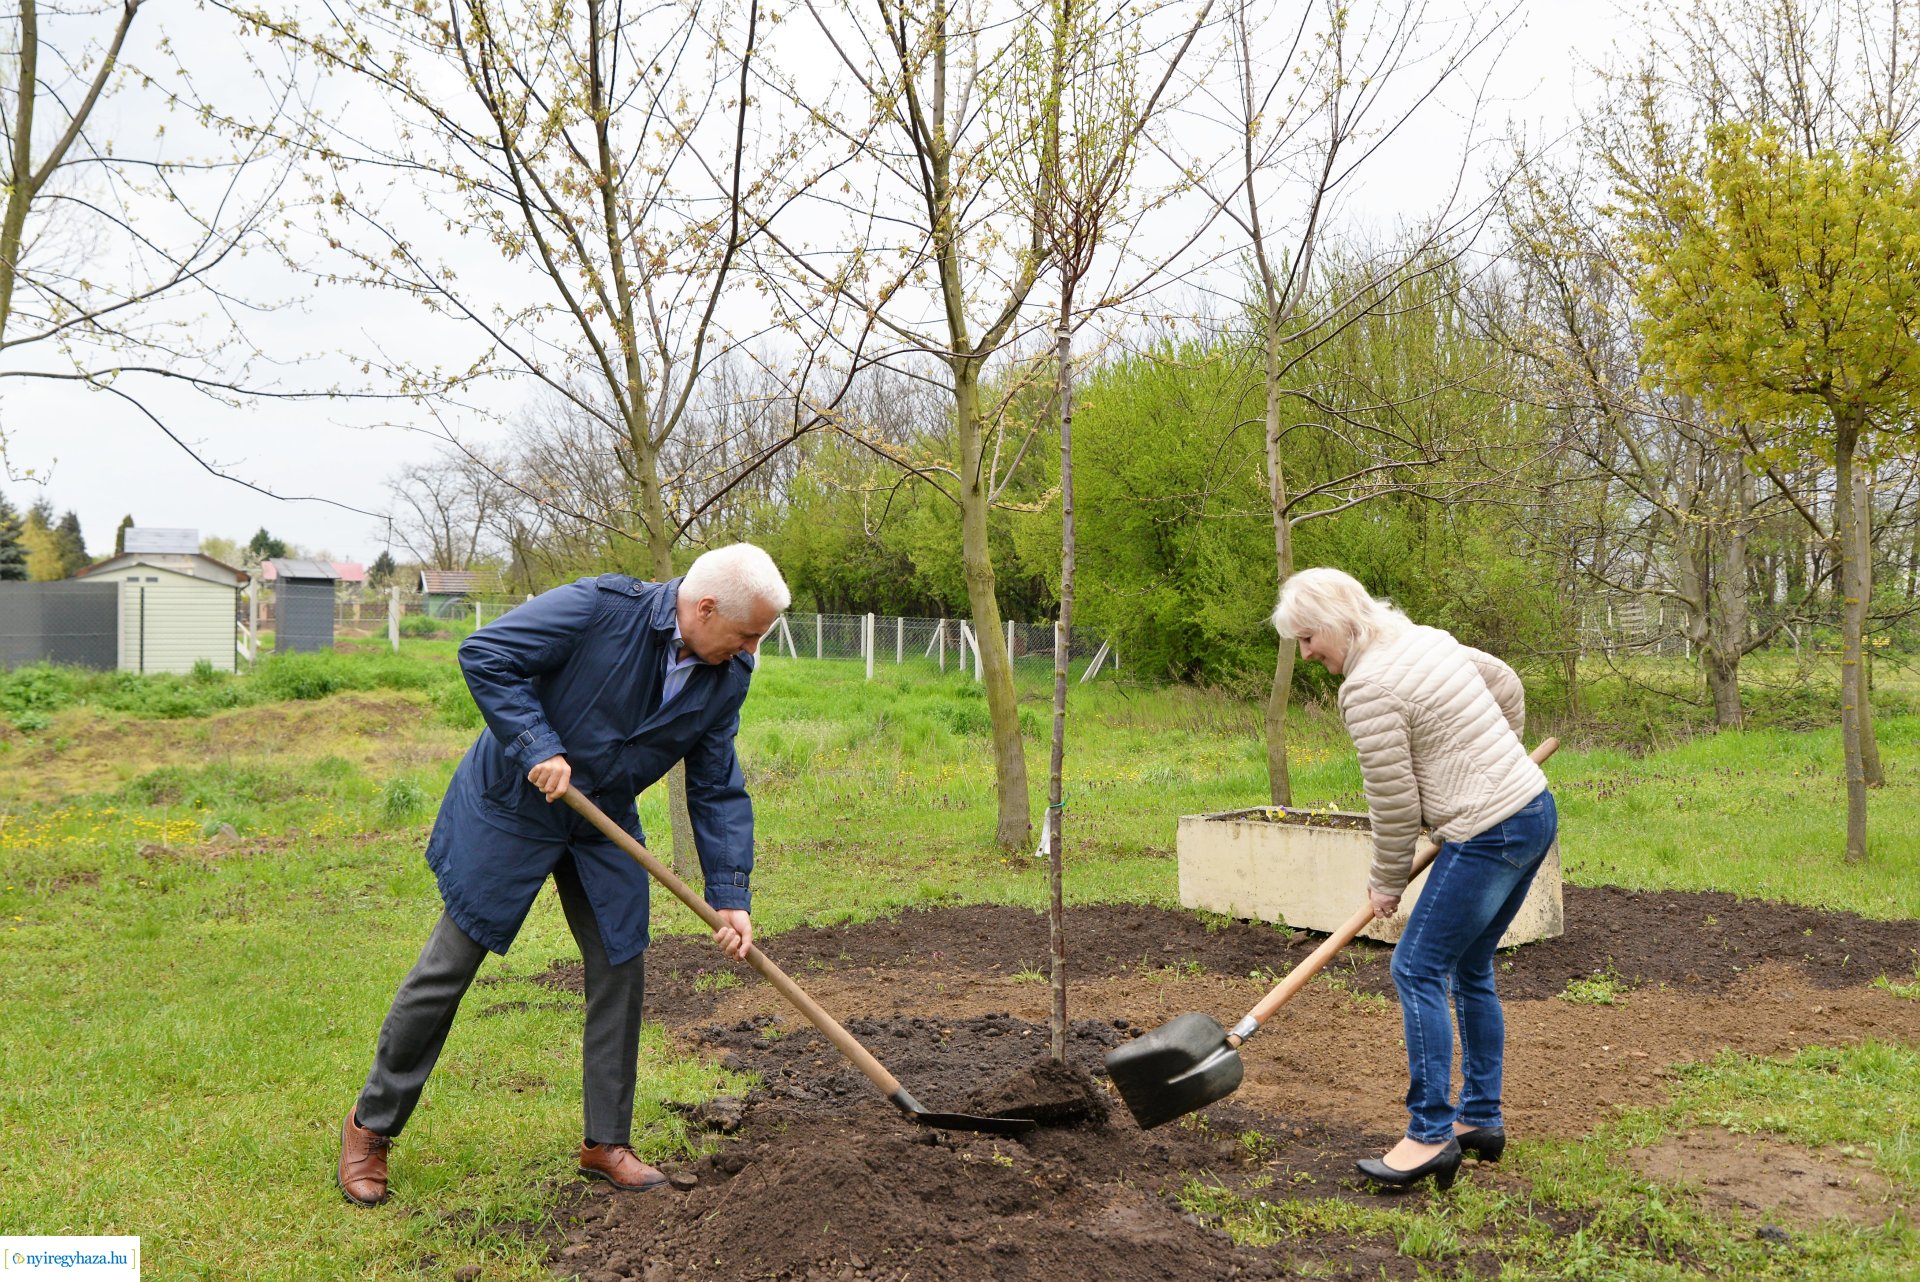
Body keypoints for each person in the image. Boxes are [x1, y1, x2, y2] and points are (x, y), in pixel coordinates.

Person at [337, 543, 790, 1206]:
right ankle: (370, 1127)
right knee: (448, 968)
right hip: (516, 803)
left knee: (620, 965)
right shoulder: (598, 609)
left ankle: (606, 1142)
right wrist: (537, 743)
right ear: (705, 607)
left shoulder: (728, 676)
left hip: (600, 816)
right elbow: (486, 654)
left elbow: (717, 785)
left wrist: (730, 895)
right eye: (747, 634)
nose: (751, 650)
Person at [1271, 567, 1555, 1193]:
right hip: (1532, 811)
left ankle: (1428, 1136)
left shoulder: (1367, 688)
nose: (1308, 652)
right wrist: (1500, 758)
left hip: (1489, 834)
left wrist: (1385, 883)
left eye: (1310, 636)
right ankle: (1479, 1120)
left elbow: (1393, 804)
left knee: (1416, 968)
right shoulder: (1424, 637)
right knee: (1469, 968)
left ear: (1339, 619)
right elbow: (1505, 683)